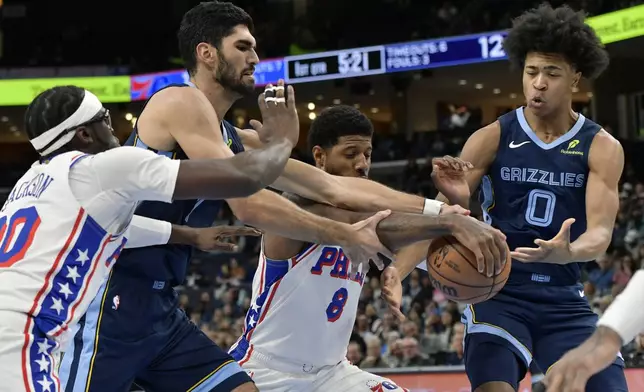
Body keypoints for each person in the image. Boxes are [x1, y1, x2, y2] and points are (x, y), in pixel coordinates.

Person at [59, 2, 477, 392]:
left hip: (160, 307)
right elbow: (249, 202)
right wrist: (331, 216)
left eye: (255, 48)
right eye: (243, 47)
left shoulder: (229, 139)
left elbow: (333, 186)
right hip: (107, 295)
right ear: (206, 53)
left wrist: (445, 210)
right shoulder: (178, 101)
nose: (255, 58)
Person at [1, 84, 379, 392]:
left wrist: (188, 234)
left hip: (142, 314)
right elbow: (239, 180)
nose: (116, 130)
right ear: (84, 133)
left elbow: (123, 230)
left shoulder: (31, 183)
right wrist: (282, 140)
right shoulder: (107, 167)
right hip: (33, 335)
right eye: (105, 121)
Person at [383, 4, 628, 392]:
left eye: (552, 73)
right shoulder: (491, 137)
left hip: (563, 298)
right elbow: (443, 219)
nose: (539, 83)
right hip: (499, 291)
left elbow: (600, 234)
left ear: (576, 79)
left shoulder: (601, 147)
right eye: (531, 72)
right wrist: (400, 270)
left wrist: (571, 251)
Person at [228, 106, 507, 391]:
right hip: (265, 370)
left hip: (331, 374)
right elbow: (368, 226)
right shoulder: (296, 203)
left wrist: (456, 203)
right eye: (351, 154)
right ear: (320, 157)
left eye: (368, 154)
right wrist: (446, 221)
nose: (362, 164)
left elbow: (424, 246)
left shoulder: (375, 210)